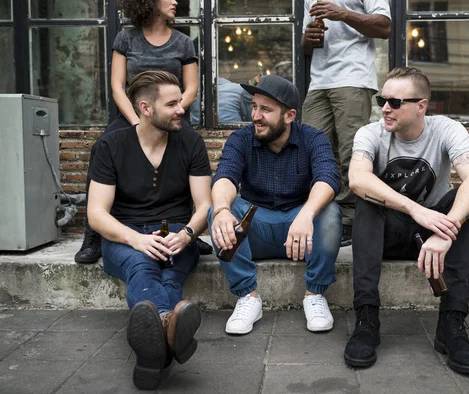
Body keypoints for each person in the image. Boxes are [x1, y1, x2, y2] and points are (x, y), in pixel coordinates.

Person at [344, 67, 469, 375]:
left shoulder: (446, 129)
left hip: (432, 234)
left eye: (395, 102)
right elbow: (357, 179)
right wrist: (415, 209)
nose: (384, 107)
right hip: (387, 234)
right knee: (368, 201)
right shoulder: (371, 133)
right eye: (382, 99)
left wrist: (447, 230)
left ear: (421, 106)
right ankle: (366, 319)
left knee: (461, 200)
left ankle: (451, 325)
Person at [87, 71, 212, 389]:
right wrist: (136, 239)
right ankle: (169, 328)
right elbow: (96, 214)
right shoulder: (112, 145)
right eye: (172, 103)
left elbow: (205, 207)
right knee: (142, 264)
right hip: (124, 236)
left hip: (177, 235)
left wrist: (185, 235)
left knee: (170, 273)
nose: (182, 108)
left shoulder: (190, 142)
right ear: (145, 108)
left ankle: (154, 347)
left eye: (180, 100)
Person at [75, 0, 213, 263]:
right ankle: (93, 235)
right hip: (133, 114)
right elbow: (117, 87)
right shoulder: (126, 38)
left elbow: (192, 88)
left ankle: (187, 231)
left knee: (185, 149)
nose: (175, 1)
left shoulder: (183, 42)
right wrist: (139, 122)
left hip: (170, 113)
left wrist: (171, 110)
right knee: (101, 146)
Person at [209, 75, 342, 335]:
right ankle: (248, 297)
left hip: (302, 236)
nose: (256, 116)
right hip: (255, 230)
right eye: (254, 106)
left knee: (329, 211)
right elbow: (225, 175)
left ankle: (314, 295)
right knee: (218, 210)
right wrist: (222, 210)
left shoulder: (313, 138)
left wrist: (306, 213)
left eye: (266, 110)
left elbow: (329, 178)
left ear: (290, 115)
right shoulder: (241, 139)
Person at [302, 0, 391, 246]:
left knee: (351, 152)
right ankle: (320, 213)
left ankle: (350, 220)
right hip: (319, 80)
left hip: (352, 76)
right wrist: (307, 38)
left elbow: (384, 27)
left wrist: (342, 14)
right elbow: (307, 47)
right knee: (310, 149)